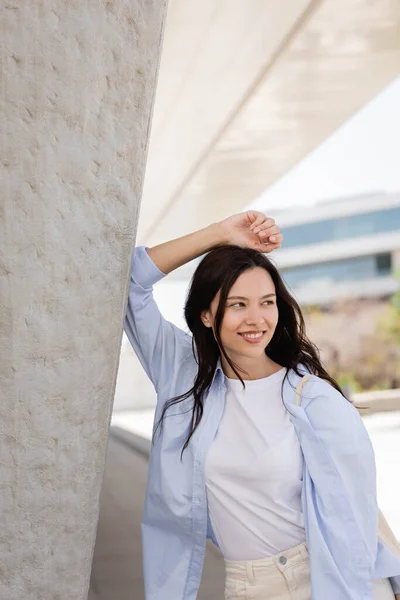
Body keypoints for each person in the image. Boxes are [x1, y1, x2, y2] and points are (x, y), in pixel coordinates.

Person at [124, 210, 400, 600]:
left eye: (266, 302)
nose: (256, 319)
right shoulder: (181, 374)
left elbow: (351, 524)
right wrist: (219, 233)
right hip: (248, 585)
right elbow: (131, 281)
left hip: (326, 580)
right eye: (237, 305)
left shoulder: (315, 401)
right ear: (206, 314)